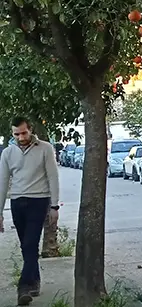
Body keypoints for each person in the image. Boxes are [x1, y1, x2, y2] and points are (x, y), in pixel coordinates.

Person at [0, 117, 60, 306]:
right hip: (17, 202)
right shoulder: (7, 153)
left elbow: (53, 177)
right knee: (27, 246)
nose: (20, 137)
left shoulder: (45, 148)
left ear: (30, 129)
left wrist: (54, 206)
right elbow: (2, 183)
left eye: (23, 133)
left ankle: (24, 286)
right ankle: (34, 281)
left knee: (30, 243)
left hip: (39, 201)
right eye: (16, 134)